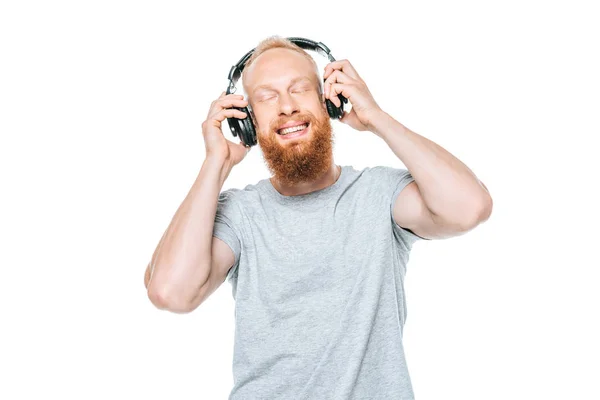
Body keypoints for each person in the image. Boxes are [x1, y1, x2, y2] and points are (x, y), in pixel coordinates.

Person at [144, 36, 493, 399]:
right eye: (267, 97)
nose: (287, 106)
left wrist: (376, 117)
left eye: (300, 89)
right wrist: (215, 164)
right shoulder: (240, 214)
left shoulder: (378, 194)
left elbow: (471, 207)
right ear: (246, 121)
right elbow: (170, 292)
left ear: (329, 101)